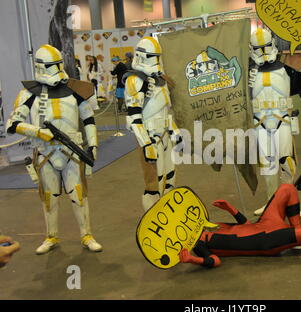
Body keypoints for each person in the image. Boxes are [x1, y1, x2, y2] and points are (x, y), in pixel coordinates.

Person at [6, 44, 103, 254]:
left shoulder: (73, 89)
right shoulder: (28, 93)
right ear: (41, 67)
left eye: (58, 64)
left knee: (78, 195)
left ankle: (86, 234)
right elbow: (12, 125)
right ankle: (51, 236)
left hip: (72, 152)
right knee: (49, 197)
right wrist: (38, 132)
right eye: (52, 65)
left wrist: (93, 144)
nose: (57, 69)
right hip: (45, 152)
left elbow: (88, 118)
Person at [250, 25, 301, 215]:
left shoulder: (287, 62)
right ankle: (271, 206)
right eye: (259, 48)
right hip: (259, 124)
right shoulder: (248, 71)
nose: (264, 52)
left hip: (281, 121)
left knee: (287, 164)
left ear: (273, 45)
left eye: (267, 46)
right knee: (267, 167)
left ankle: (290, 206)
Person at [123, 37, 183, 211]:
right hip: (150, 136)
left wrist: (175, 131)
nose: (156, 61)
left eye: (158, 57)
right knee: (154, 181)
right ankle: (153, 216)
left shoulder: (161, 79)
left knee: (170, 178)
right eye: (152, 57)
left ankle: (169, 215)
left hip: (165, 134)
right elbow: (134, 118)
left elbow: (165, 110)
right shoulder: (134, 80)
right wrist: (146, 143)